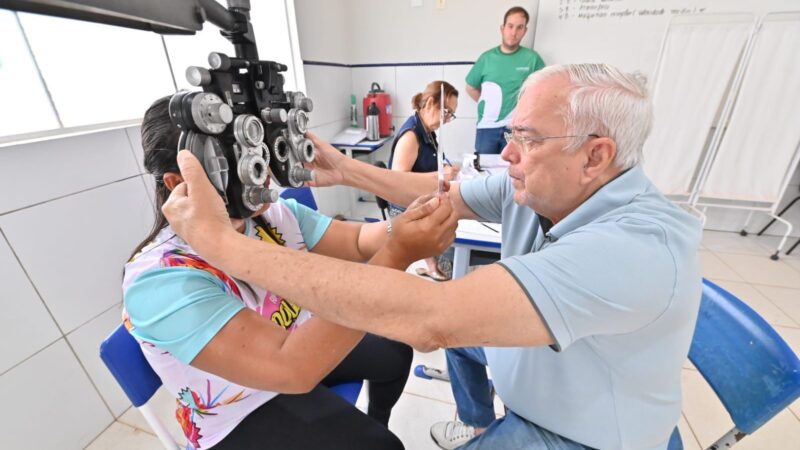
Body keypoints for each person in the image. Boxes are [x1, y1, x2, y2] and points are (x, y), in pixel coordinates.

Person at [162, 63, 703, 450]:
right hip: (544, 373)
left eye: (526, 138)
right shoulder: (540, 187)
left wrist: (224, 245)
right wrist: (346, 171)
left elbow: (428, 319)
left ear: (595, 156)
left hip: (583, 432)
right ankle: (474, 419)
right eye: (510, 132)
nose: (506, 153)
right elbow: (440, 195)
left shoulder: (635, 250)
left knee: (439, 331)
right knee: (466, 346)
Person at [122, 96, 458, 450]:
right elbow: (291, 367)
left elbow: (359, 240)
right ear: (179, 183)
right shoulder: (161, 278)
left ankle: (375, 417)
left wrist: (403, 226)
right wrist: (399, 251)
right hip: (241, 406)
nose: (262, 173)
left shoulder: (271, 216)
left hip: (296, 345)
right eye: (233, 163)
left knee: (394, 349)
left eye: (255, 152)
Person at [389, 80, 460, 281]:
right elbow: (397, 181)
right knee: (449, 229)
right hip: (404, 206)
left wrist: (445, 169)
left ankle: (434, 264)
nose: (447, 119)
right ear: (429, 104)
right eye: (446, 112)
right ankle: (436, 264)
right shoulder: (411, 135)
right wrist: (438, 176)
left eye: (451, 114)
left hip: (422, 198)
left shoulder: (428, 132)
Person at [466, 6, 545, 155]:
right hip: (486, 128)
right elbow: (470, 87)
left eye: (519, 27)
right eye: (510, 26)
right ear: (502, 28)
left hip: (516, 129)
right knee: (483, 171)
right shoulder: (486, 58)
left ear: (525, 31)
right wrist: (490, 104)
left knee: (512, 172)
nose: (514, 32)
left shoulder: (532, 59)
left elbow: (542, 90)